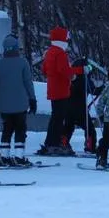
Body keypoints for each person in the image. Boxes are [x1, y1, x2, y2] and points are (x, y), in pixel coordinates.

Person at [0, 34, 37, 168]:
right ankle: (19, 156)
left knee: (7, 129)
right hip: (20, 103)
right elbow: (28, 83)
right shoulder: (23, 63)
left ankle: (4, 156)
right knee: (20, 129)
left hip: (4, 104)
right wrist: (32, 99)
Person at [39, 26, 84, 156]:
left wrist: (76, 71)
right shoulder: (60, 53)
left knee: (55, 117)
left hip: (52, 89)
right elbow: (64, 70)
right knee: (59, 118)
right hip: (61, 90)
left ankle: (50, 142)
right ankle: (54, 144)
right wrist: (74, 75)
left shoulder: (49, 52)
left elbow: (44, 70)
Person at [60, 58, 98, 155]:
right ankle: (90, 146)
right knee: (90, 129)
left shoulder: (69, 79)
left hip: (67, 108)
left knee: (68, 127)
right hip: (81, 109)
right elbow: (94, 91)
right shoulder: (85, 80)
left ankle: (63, 143)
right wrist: (103, 87)